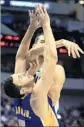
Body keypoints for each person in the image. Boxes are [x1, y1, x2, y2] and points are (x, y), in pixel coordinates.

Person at [4, 5, 84, 127]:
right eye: (42, 42)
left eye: (47, 43)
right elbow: (46, 55)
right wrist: (53, 33)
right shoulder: (36, 94)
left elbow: (21, 57)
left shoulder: (21, 89)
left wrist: (32, 28)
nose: (22, 74)